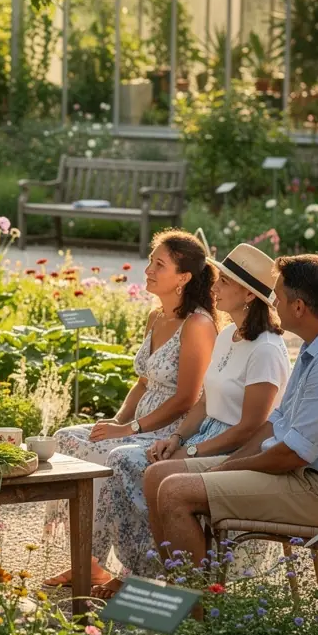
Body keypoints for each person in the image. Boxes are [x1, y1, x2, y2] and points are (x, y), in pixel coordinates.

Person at [153, 254, 318, 568]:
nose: (272, 301)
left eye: (279, 295)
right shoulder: (317, 345)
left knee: (175, 491)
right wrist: (232, 461)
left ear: (299, 307)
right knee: (161, 476)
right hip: (302, 475)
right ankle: (176, 595)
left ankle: (194, 612)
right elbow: (277, 421)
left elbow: (293, 454)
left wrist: (228, 469)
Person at [44, 230, 218, 592]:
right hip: (138, 422)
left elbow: (187, 398)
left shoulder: (198, 325)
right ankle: (87, 561)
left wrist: (130, 430)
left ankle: (123, 570)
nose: (149, 270)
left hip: (169, 429)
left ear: (184, 277)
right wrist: (117, 421)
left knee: (106, 455)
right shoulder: (156, 316)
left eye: (160, 264)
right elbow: (142, 383)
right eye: (151, 261)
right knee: (67, 440)